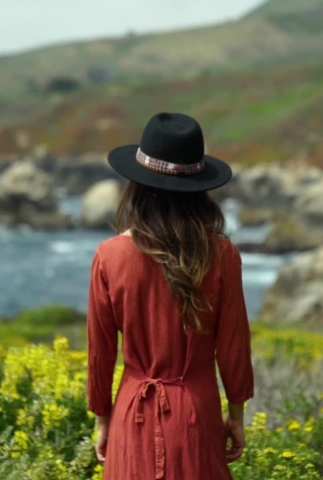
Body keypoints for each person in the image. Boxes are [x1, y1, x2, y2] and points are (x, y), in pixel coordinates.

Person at [86, 112, 255, 480]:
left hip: (133, 414)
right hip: (198, 413)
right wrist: (237, 414)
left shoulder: (109, 256)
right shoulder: (223, 256)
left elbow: (100, 352)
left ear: (137, 185)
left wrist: (103, 420)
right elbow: (234, 345)